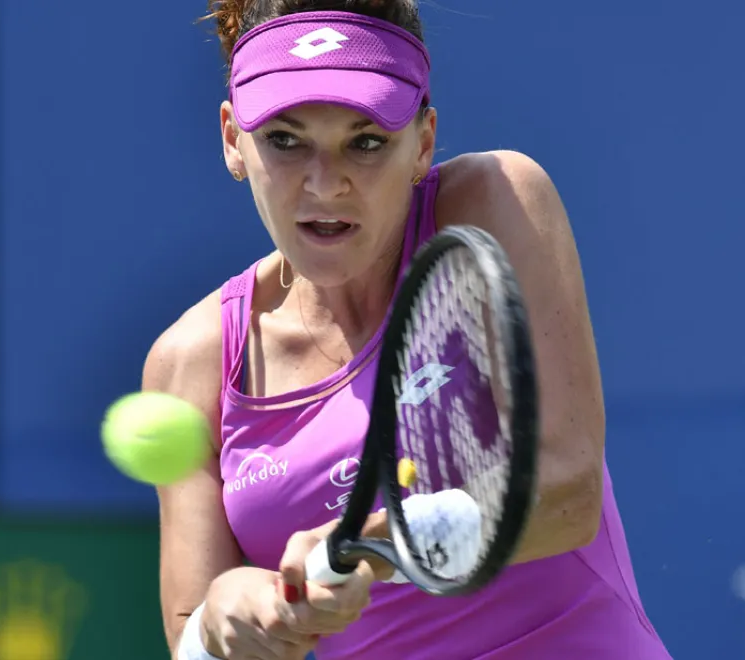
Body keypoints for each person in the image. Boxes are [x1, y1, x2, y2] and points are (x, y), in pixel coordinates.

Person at [145, 1, 671, 658]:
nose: (325, 183)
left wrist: (374, 545)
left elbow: (566, 492)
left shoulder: (489, 204)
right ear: (232, 139)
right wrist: (225, 615)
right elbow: (189, 639)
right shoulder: (188, 362)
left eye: (365, 142)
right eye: (285, 139)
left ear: (422, 143)